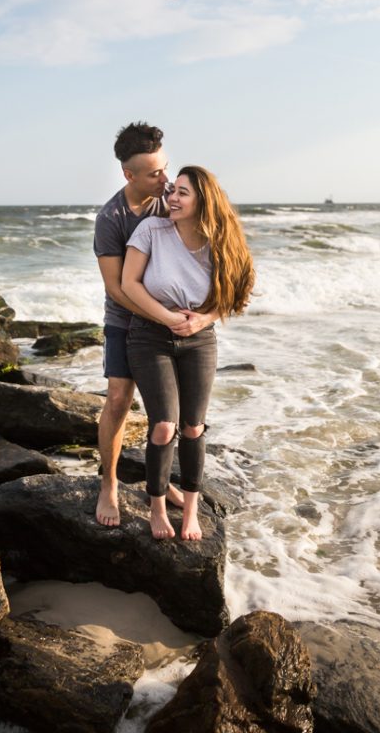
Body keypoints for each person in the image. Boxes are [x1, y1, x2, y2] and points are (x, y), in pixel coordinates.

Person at [121, 165, 254, 540]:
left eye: (182, 193)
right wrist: (166, 317)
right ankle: (158, 507)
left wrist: (202, 320)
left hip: (199, 339)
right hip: (149, 335)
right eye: (172, 191)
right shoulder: (151, 230)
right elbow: (129, 283)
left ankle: (192, 511)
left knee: (193, 427)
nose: (172, 198)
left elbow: (235, 296)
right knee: (164, 425)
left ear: (203, 201)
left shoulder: (223, 241)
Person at [93, 121, 185, 526]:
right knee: (118, 399)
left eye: (166, 168)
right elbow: (116, 288)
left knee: (166, 409)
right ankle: (108, 484)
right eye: (154, 173)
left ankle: (160, 482)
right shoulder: (110, 217)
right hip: (125, 321)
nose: (165, 179)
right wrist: (161, 317)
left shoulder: (171, 201)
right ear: (128, 175)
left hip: (167, 318)